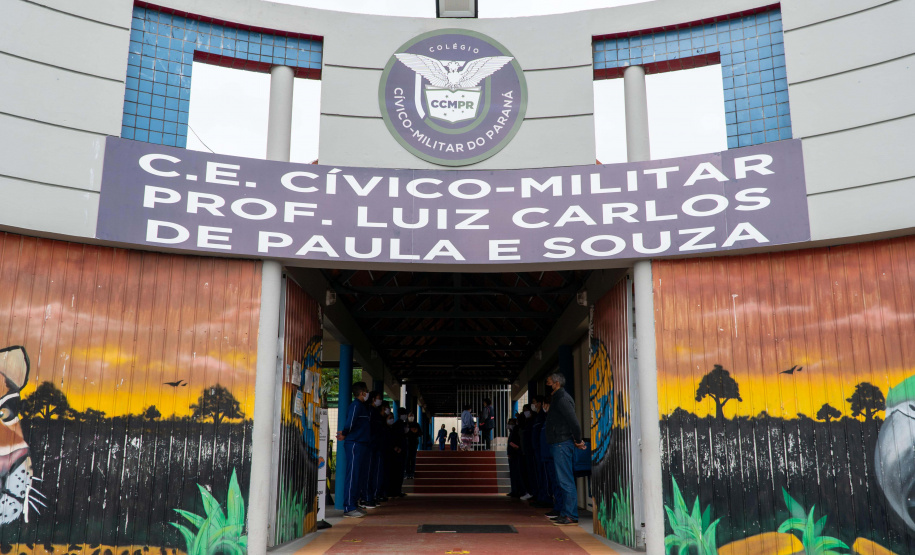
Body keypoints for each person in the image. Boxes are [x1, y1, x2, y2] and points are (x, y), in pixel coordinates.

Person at [545, 373, 587, 526]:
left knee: (565, 480)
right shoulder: (558, 398)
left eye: (548, 382)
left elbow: (574, 422)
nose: (547, 385)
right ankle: (565, 512)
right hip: (558, 443)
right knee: (562, 480)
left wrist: (578, 440)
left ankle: (570, 515)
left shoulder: (562, 399)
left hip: (562, 443)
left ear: (556, 383)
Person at [336, 381, 371, 518]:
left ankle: (354, 504)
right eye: (366, 391)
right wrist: (344, 433)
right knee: (352, 475)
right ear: (362, 392)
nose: (367, 393)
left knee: (358, 475)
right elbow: (350, 423)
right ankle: (349, 507)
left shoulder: (362, 407)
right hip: (355, 443)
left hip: (361, 443)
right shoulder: (356, 405)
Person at [539, 395, 562, 518]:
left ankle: (559, 508)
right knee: (553, 482)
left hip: (553, 456)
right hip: (547, 456)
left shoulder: (554, 418)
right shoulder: (547, 419)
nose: (543, 407)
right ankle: (557, 507)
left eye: (545, 405)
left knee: (557, 482)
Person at [364, 391, 386, 509]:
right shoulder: (370, 411)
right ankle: (367, 497)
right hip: (371, 445)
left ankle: (372, 496)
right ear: (373, 399)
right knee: (369, 472)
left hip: (377, 445)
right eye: (378, 398)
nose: (380, 400)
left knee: (375, 471)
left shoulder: (375, 412)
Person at [529, 395, 551, 508]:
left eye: (534, 402)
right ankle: (541, 496)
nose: (533, 405)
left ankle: (545, 497)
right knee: (540, 474)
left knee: (545, 475)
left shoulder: (543, 417)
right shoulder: (537, 417)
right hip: (538, 450)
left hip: (543, 451)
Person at [385, 407, 408, 498]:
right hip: (398, 451)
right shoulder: (398, 425)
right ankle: (395, 491)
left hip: (401, 450)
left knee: (399, 472)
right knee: (397, 472)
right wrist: (396, 447)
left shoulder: (401, 424)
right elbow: (395, 438)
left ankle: (397, 490)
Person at [519, 403, 536, 500]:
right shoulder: (526, 422)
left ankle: (532, 492)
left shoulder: (532, 422)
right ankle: (530, 491)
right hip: (525, 451)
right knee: (526, 472)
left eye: (526, 410)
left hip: (530, 451)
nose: (524, 412)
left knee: (531, 473)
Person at [506, 417, 525, 498]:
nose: (509, 425)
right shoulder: (512, 432)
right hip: (512, 455)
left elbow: (515, 443)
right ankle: (514, 490)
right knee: (513, 474)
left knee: (517, 473)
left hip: (516, 454)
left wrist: (514, 448)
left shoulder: (516, 431)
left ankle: (518, 490)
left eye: (511, 423)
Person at [405, 414, 420, 478]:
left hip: (414, 444)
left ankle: (412, 473)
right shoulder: (406, 424)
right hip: (407, 444)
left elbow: (420, 433)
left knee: (413, 458)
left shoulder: (416, 425)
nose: (411, 417)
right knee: (407, 458)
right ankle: (407, 473)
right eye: (410, 416)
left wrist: (415, 431)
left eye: (412, 416)